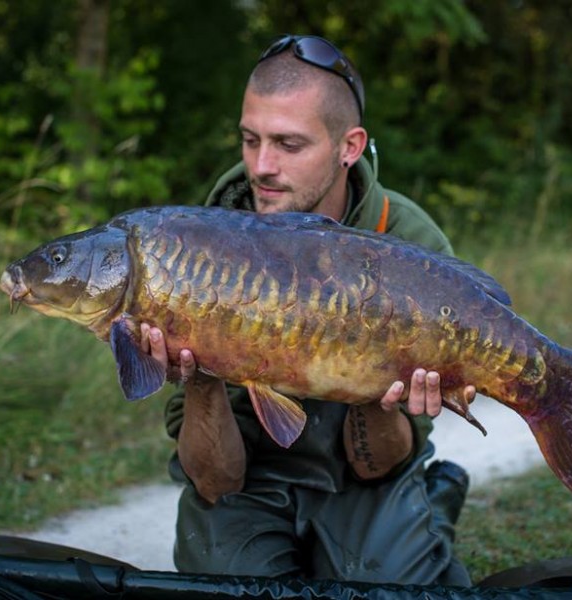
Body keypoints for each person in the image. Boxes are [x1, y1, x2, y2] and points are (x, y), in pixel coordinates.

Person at [138, 34, 474, 586]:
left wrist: (382, 393)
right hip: (251, 475)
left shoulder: (411, 245)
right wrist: (200, 377)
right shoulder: (191, 251)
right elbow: (215, 481)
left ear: (349, 146)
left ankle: (432, 502)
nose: (262, 167)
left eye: (289, 145)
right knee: (220, 583)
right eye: (250, 140)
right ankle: (426, 507)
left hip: (362, 479)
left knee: (389, 586)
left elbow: (377, 464)